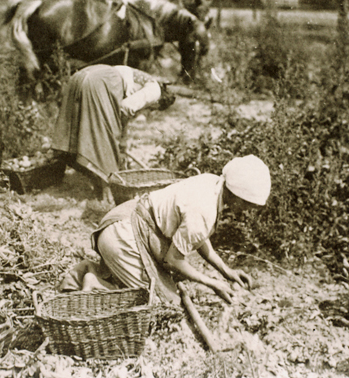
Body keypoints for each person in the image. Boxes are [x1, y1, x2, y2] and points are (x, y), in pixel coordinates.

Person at [58, 155, 271, 305]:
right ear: (238, 195)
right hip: (123, 237)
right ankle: (95, 283)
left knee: (159, 286)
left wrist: (226, 271)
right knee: (156, 301)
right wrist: (212, 282)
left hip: (125, 220)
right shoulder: (204, 210)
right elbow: (174, 260)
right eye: (248, 204)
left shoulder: (212, 182)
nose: (248, 209)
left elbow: (200, 237)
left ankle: (92, 271)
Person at [51, 64, 175, 203]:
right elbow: (125, 108)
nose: (150, 109)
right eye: (154, 108)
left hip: (80, 76)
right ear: (159, 103)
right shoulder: (154, 91)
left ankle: (82, 173)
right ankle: (108, 191)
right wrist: (120, 144)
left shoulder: (145, 79)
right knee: (105, 136)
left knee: (80, 127)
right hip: (99, 83)